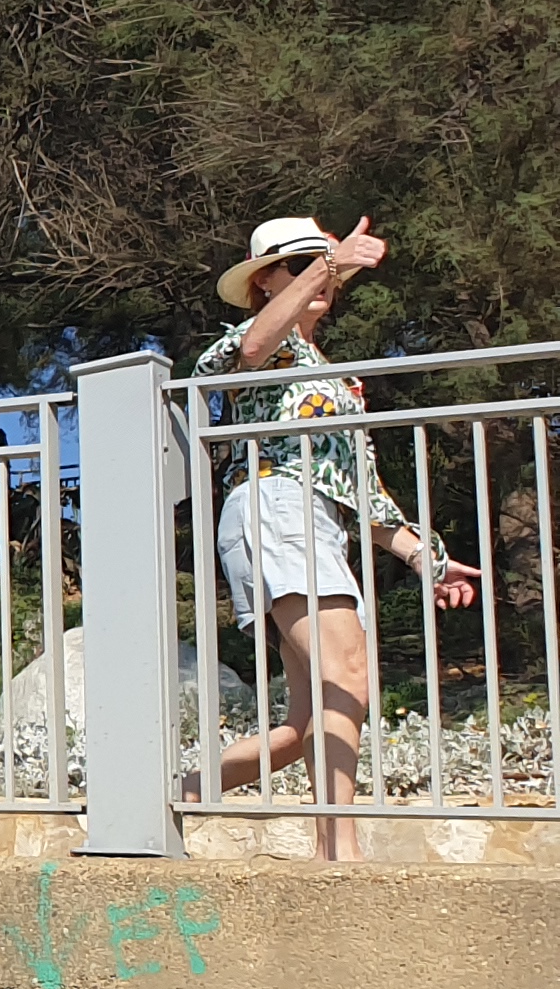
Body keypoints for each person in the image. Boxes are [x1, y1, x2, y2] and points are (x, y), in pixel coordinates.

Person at [192, 214, 483, 862]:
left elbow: (362, 493)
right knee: (347, 675)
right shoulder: (260, 342)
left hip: (313, 518)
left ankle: (161, 799)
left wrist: (426, 558)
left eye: (323, 267)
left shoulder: (333, 378)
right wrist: (332, 259)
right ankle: (338, 856)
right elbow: (250, 350)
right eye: (300, 265)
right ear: (266, 282)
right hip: (277, 504)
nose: (320, 277)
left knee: (304, 724)